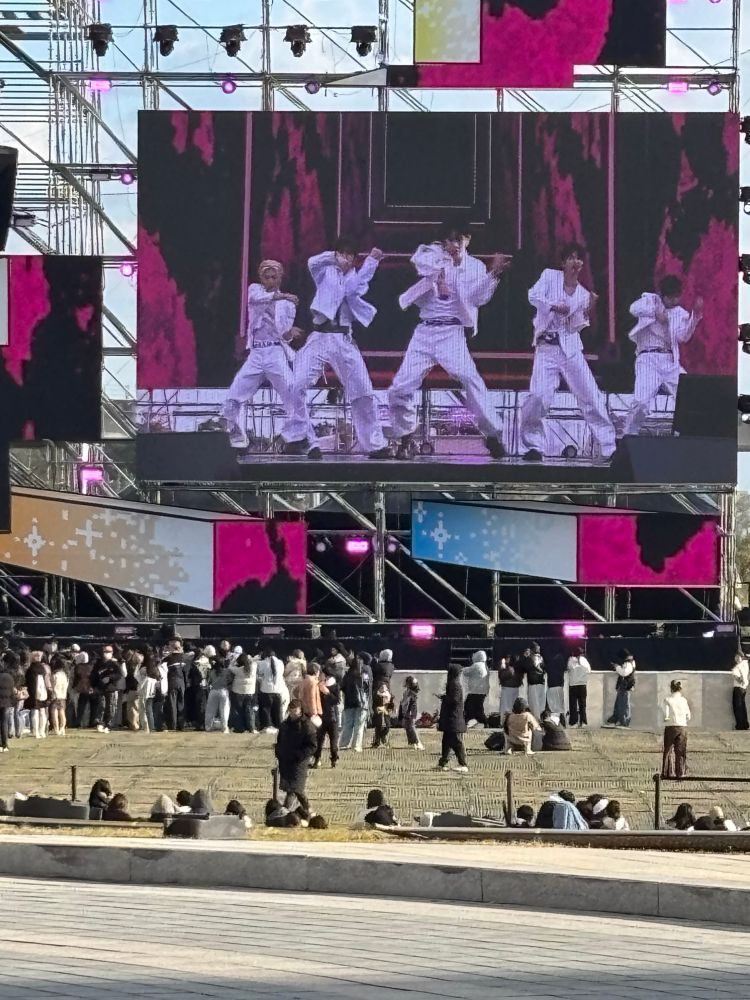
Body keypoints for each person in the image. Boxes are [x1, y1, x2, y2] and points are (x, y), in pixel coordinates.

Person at [390, 217, 511, 460]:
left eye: (458, 240)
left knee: (469, 378)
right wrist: (441, 269)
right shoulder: (434, 255)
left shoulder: (475, 267)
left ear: (468, 240)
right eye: (449, 240)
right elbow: (419, 261)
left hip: (451, 334)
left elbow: (478, 298)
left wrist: (493, 274)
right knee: (400, 387)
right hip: (424, 332)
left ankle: (493, 435)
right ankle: (405, 436)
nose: (454, 244)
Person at [286, 240, 390, 460]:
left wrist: (372, 260)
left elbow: (356, 287)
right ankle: (305, 439)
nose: (346, 258)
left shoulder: (354, 278)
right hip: (319, 337)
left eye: (350, 255)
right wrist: (333, 258)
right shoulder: (325, 272)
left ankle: (375, 445)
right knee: (296, 385)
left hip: (343, 339)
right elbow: (312, 262)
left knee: (363, 391)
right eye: (342, 254)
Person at [520, 243, 616, 463]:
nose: (575, 262)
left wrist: (587, 309)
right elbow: (533, 296)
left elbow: (574, 327)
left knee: (590, 396)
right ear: (563, 263)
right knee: (538, 396)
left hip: (570, 349)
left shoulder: (583, 294)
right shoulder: (549, 276)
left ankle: (609, 447)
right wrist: (553, 306)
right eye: (571, 258)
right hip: (546, 348)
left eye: (578, 258)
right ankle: (534, 445)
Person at [219, 260, 303, 449]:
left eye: (274, 277)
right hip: (256, 353)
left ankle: (295, 435)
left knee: (292, 391)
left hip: (275, 352)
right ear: (261, 278)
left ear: (280, 278)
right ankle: (232, 433)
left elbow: (284, 334)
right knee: (236, 392)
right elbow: (259, 299)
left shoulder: (288, 305)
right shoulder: (255, 290)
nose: (270, 280)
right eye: (266, 277)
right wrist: (284, 296)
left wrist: (290, 334)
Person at [622, 277, 703, 437]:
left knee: (688, 394)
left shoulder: (680, 313)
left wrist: (695, 317)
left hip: (669, 361)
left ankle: (685, 434)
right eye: (670, 297)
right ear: (662, 294)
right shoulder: (650, 300)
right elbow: (633, 309)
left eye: (676, 297)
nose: (674, 301)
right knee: (640, 402)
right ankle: (629, 436)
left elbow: (683, 337)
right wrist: (655, 312)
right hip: (648, 359)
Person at [274, 699, 317, 815]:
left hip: (299, 762)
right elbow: (279, 742)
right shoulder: (285, 725)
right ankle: (306, 810)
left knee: (295, 788)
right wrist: (279, 752)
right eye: (291, 710)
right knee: (291, 789)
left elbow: (312, 746)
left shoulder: (307, 725)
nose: (293, 713)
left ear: (300, 710)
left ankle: (286, 811)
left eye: (295, 710)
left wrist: (300, 755)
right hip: (286, 761)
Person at [437, 663, 468, 772]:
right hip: (451, 718)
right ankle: (443, 763)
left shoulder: (455, 684)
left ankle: (463, 764)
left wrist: (444, 698)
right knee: (446, 742)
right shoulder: (453, 684)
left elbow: (454, 700)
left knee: (456, 742)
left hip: (453, 718)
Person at [92, 645, 125, 734]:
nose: (106, 654)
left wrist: (110, 677)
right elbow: (93, 675)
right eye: (105, 652)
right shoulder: (98, 664)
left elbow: (119, 675)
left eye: (108, 652)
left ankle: (108, 725)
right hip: (101, 688)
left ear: (112, 653)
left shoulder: (114, 663)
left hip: (111, 688)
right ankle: (100, 723)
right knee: (101, 706)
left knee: (111, 707)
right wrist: (94, 686)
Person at [662, 679, 691, 779]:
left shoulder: (667, 700)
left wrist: (666, 719)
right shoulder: (684, 700)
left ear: (671, 688)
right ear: (680, 689)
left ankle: (667, 772)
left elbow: (666, 715)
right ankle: (680, 772)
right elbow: (688, 716)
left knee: (668, 750)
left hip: (670, 726)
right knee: (681, 751)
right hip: (682, 727)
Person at [340, 657, 370, 753]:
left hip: (348, 702)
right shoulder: (364, 675)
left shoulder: (347, 676)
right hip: (361, 703)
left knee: (348, 724)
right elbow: (367, 689)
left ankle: (344, 744)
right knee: (359, 725)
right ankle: (356, 746)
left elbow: (342, 688)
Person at [313, 672, 340, 769]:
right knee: (319, 741)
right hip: (321, 717)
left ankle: (334, 759)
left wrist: (327, 693)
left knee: (333, 741)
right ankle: (317, 760)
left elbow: (337, 700)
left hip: (333, 718)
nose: (320, 676)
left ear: (327, 676)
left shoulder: (335, 686)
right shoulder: (318, 686)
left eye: (322, 674)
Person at [256, 647, 286, 733]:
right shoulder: (280, 662)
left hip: (266, 689)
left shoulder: (263, 663)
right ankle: (278, 725)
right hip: (278, 689)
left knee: (266, 709)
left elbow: (259, 672)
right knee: (277, 710)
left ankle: (267, 725)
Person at [606, 650, 636, 727]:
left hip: (626, 686)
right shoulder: (628, 663)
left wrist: (617, 667)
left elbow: (624, 673)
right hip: (623, 686)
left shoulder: (629, 664)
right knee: (619, 704)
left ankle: (624, 721)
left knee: (624, 704)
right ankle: (617, 719)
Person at [162, 642, 188, 732]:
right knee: (181, 703)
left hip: (172, 682)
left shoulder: (167, 659)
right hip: (182, 683)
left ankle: (173, 725)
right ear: (179, 648)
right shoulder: (184, 658)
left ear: (172, 648)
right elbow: (186, 672)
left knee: (172, 704)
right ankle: (181, 725)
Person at [229, 653, 257, 734]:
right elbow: (254, 661)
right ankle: (251, 728)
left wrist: (233, 660)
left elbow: (229, 667)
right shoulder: (253, 667)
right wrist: (250, 659)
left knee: (239, 710)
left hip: (238, 692)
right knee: (249, 710)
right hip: (250, 692)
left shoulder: (238, 670)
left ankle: (240, 728)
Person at [25, 650, 50, 740]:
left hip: (33, 692)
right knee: (42, 712)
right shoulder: (43, 668)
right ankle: (42, 731)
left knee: (35, 712)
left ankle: (36, 732)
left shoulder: (30, 669)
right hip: (43, 692)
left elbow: (27, 682)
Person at [204, 658, 232, 733]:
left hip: (213, 691)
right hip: (223, 691)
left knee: (210, 710)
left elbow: (209, 682)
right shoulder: (227, 671)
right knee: (224, 710)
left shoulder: (211, 672)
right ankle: (224, 727)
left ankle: (208, 727)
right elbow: (230, 680)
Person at [566, 646, 591, 728]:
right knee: (582, 704)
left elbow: (568, 668)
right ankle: (583, 722)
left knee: (573, 705)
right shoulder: (584, 660)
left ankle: (574, 722)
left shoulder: (571, 660)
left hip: (573, 685)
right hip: (582, 684)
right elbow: (589, 670)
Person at [463, 651, 489, 728]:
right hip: (482, 691)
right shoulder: (485, 666)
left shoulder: (476, 665)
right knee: (477, 707)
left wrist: (462, 668)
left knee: (469, 706)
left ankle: (483, 721)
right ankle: (481, 721)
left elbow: (466, 672)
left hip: (475, 691)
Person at [521, 643, 546, 720]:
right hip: (541, 682)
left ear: (532, 650)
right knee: (540, 702)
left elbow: (525, 667)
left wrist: (525, 657)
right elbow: (543, 668)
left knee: (534, 703)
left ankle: (537, 719)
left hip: (533, 683)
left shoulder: (530, 658)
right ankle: (539, 718)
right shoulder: (541, 658)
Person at [71, 649, 94, 729]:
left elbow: (75, 678)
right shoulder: (91, 667)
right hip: (88, 688)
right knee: (87, 707)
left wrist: (73, 687)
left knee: (79, 706)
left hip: (79, 689)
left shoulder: (77, 667)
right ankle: (86, 722)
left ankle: (78, 722)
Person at [400, 675, 423, 750]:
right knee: (408, 727)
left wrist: (409, 712)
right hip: (406, 711)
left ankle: (418, 742)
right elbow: (403, 702)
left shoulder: (412, 693)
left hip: (410, 712)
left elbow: (411, 704)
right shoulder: (406, 692)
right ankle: (413, 742)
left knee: (412, 727)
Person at [498, 654, 523, 719]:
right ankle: (505, 721)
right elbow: (502, 676)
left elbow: (502, 676)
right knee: (507, 708)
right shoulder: (507, 666)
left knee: (508, 707)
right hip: (510, 688)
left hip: (510, 688)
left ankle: (505, 721)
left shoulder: (513, 667)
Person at [49, 656, 69, 737]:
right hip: (63, 696)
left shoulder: (55, 675)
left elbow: (53, 685)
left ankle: (56, 729)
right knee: (62, 713)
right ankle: (62, 728)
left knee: (54, 713)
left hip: (55, 695)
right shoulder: (66, 675)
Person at [545, 651, 567, 720]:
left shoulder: (551, 665)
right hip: (559, 686)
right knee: (560, 705)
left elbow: (545, 669)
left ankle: (555, 720)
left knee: (552, 705)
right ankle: (562, 719)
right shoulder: (561, 666)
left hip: (552, 686)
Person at [731, 652, 749, 731]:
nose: (737, 659)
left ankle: (740, 725)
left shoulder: (740, 665)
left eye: (738, 657)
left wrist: (740, 680)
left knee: (738, 707)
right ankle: (744, 724)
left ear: (741, 657)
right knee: (742, 706)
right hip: (743, 688)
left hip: (738, 687)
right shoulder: (745, 664)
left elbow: (738, 676)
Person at [372, 680, 393, 749]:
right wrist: (377, 710)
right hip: (379, 714)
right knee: (378, 728)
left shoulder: (389, 695)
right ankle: (377, 743)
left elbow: (391, 704)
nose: (383, 688)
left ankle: (382, 736)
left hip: (386, 714)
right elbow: (374, 705)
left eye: (384, 687)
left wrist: (390, 709)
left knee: (387, 727)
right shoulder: (376, 695)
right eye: (381, 687)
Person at [0, 662, 15, 752]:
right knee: (4, 723)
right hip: (6, 702)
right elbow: (12, 690)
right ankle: (5, 745)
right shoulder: (9, 677)